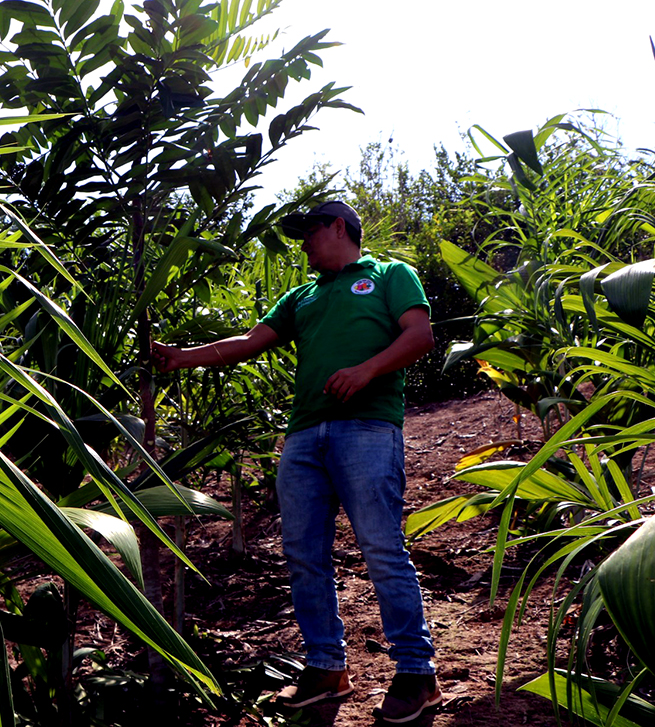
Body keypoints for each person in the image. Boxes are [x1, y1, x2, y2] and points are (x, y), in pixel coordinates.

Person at [151, 201, 442, 723]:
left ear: (338, 227)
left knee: (381, 548)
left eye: (308, 231)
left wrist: (366, 370)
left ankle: (417, 674)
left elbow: (420, 336)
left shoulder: (389, 275)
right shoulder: (301, 296)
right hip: (305, 438)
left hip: (368, 428)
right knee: (304, 555)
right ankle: (326, 668)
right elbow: (246, 344)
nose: (302, 242)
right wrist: (181, 356)